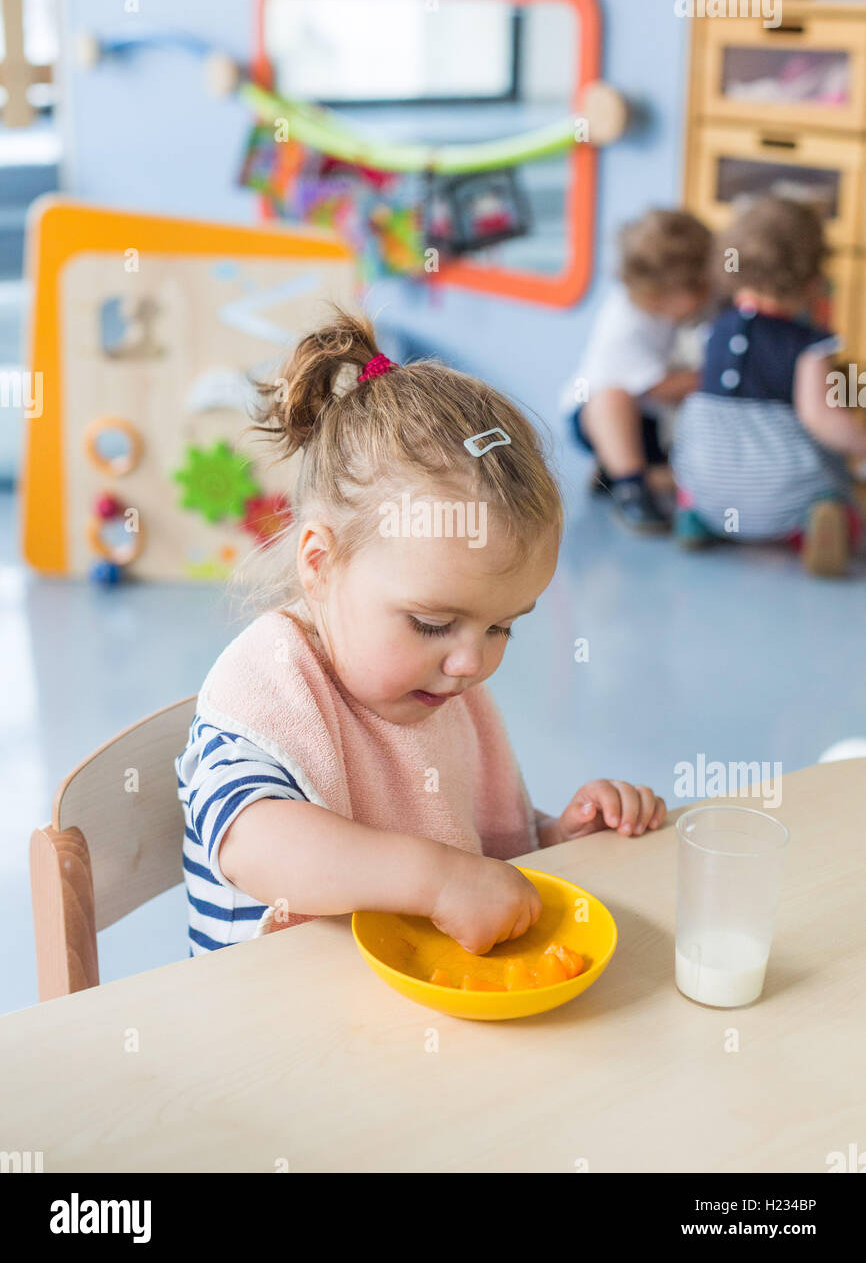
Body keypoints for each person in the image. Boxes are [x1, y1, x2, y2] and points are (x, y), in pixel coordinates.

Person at [176, 310, 666, 958]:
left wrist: (553, 836)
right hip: (272, 1030)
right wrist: (438, 881)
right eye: (433, 623)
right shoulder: (265, 686)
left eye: (502, 627)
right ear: (320, 564)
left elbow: (473, 842)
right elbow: (254, 844)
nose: (470, 662)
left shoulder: (432, 687)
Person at [671, 195, 866, 574]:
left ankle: (694, 514)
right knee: (833, 501)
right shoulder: (811, 343)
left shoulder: (714, 327)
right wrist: (859, 440)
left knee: (697, 457)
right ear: (813, 281)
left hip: (711, 485)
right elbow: (820, 417)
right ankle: (811, 527)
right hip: (781, 491)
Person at [561, 209, 711, 533]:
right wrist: (711, 376)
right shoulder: (625, 322)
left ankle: (624, 475)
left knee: (682, 467)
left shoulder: (672, 308)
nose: (707, 292)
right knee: (610, 399)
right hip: (599, 418)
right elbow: (655, 386)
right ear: (662, 294)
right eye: (700, 287)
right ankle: (631, 486)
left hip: (652, 423)